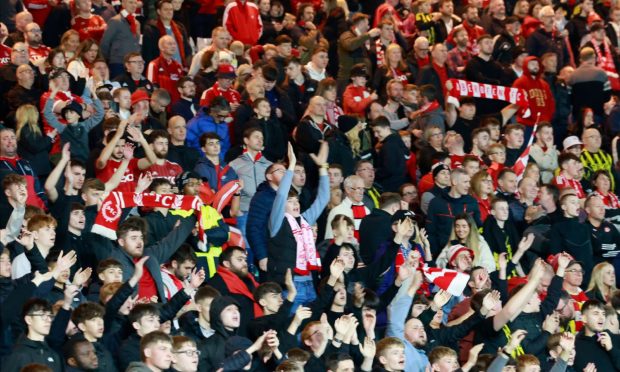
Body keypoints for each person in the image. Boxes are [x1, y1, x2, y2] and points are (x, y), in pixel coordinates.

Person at [426, 168, 481, 256]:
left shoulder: (472, 202)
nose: (469, 185)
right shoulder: (436, 203)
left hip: (469, 252)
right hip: (442, 254)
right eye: (465, 182)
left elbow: (478, 228)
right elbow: (431, 231)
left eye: (469, 182)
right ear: (454, 182)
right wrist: (436, 253)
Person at [99, 0, 141, 78]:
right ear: (123, 4)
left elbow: (138, 43)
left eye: (135, 3)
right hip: (118, 63)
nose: (133, 5)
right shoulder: (115, 21)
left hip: (133, 65)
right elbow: (105, 43)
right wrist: (107, 60)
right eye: (130, 2)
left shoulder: (137, 23)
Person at [370, 116, 409, 192]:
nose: (375, 135)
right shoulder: (397, 140)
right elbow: (407, 156)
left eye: (378, 131)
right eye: (374, 132)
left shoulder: (388, 146)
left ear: (387, 128)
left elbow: (388, 169)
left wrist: (374, 173)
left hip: (390, 187)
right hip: (399, 184)